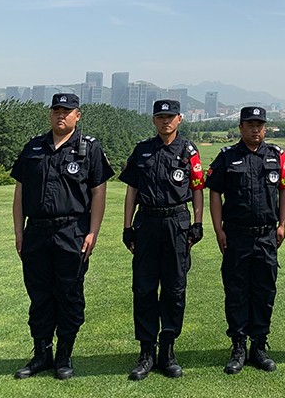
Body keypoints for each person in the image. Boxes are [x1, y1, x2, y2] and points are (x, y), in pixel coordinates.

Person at [11, 93, 114, 380]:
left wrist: (93, 231)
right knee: (39, 295)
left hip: (72, 232)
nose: (60, 115)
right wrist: (19, 232)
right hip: (36, 233)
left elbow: (98, 192)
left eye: (66, 111)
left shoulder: (89, 148)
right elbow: (20, 192)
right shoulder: (33, 147)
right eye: (56, 110)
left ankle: (64, 355)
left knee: (69, 294)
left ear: (77, 116)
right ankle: (41, 354)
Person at [119, 99, 205, 381]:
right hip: (146, 223)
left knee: (174, 289)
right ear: (154, 120)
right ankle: (146, 352)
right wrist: (127, 227)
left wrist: (197, 224)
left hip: (176, 224)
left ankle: (167, 351)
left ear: (179, 119)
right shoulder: (142, 150)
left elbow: (197, 188)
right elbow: (131, 191)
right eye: (160, 117)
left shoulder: (189, 151)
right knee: (143, 289)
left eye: (170, 116)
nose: (165, 121)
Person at [205, 106, 285, 374]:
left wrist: (283, 224)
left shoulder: (277, 156)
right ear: (241, 128)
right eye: (250, 125)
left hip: (266, 236)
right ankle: (238, 347)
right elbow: (214, 193)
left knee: (264, 292)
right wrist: (218, 230)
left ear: (265, 128)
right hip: (236, 236)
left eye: (260, 125)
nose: (255, 129)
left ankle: (259, 346)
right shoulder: (227, 157)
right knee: (236, 292)